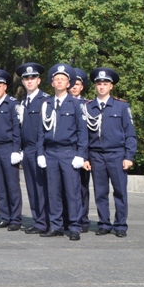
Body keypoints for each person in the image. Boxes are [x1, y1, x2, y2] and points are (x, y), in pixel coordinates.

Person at [84, 67, 137, 237]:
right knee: (100, 192)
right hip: (96, 155)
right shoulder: (88, 107)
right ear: (95, 86)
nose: (101, 87)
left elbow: (130, 133)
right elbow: (84, 136)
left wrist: (129, 156)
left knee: (120, 191)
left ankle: (120, 225)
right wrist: (85, 157)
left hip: (117, 154)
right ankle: (104, 224)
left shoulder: (121, 106)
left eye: (105, 84)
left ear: (111, 86)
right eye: (99, 84)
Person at [37, 64, 87, 241]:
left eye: (63, 79)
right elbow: (41, 131)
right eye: (56, 79)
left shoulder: (76, 104)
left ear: (68, 83)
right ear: (52, 83)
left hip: (68, 153)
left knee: (72, 192)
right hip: (50, 153)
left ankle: (74, 226)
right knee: (53, 191)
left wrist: (81, 155)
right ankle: (56, 225)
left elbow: (82, 132)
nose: (59, 82)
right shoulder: (46, 104)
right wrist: (40, 153)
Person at [15, 63, 50, 234]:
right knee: (31, 187)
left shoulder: (46, 100)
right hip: (27, 150)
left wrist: (42, 150)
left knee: (41, 187)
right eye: (26, 79)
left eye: (32, 78)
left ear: (39, 80)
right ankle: (38, 220)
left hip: (39, 150)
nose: (29, 81)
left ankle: (45, 222)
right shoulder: (24, 102)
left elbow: (47, 128)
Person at [0, 69, 23, 231]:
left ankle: (15, 218)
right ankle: (5, 216)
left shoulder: (13, 104)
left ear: (5, 87)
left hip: (9, 148)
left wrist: (16, 149)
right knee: (0, 185)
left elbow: (17, 128)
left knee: (12, 186)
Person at [70, 67, 91, 232]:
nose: (74, 87)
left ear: (82, 86)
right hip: (66, 153)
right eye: (72, 84)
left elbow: (89, 133)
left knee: (82, 188)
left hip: (83, 154)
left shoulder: (88, 106)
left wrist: (84, 156)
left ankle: (82, 219)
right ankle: (67, 218)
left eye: (77, 84)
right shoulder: (60, 103)